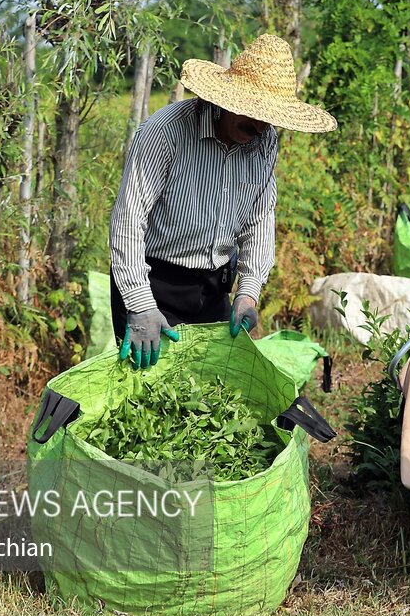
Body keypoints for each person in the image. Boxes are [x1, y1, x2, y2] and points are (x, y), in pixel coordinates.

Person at [109, 34, 336, 369]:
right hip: (154, 282)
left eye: (269, 117)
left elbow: (259, 217)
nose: (260, 125)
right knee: (149, 397)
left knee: (209, 397)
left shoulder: (264, 140)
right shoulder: (166, 132)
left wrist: (247, 292)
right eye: (252, 112)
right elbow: (128, 221)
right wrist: (140, 306)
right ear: (225, 101)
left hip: (214, 288)